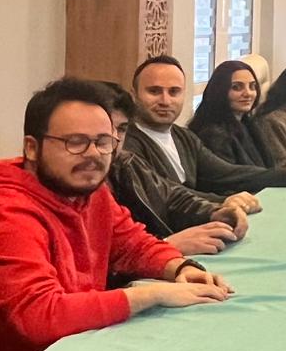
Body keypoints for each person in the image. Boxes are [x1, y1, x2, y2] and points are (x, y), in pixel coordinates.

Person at [0, 78, 234, 351]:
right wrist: (152, 294)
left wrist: (180, 267)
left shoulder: (89, 191)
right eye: (75, 142)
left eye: (103, 142)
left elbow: (130, 243)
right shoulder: (5, 215)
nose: (93, 155)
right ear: (32, 148)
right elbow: (40, 317)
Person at [120, 56, 286, 196]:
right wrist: (224, 204)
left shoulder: (183, 137)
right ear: (134, 95)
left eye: (174, 92)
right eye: (154, 91)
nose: (165, 101)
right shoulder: (126, 145)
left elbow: (229, 173)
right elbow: (169, 197)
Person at [102, 82, 246, 257]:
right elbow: (94, 262)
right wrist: (167, 245)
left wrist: (215, 212)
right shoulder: (79, 184)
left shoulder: (125, 162)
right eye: (154, 90)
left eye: (121, 129)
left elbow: (171, 198)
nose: (114, 139)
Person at [187, 59, 274, 168]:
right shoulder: (214, 135)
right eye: (236, 87)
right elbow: (232, 177)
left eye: (252, 86)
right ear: (220, 91)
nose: (248, 93)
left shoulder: (248, 124)